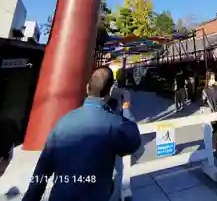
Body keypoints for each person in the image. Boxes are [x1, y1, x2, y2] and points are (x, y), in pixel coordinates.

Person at [22, 66, 141, 201]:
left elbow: (42, 170)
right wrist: (126, 108)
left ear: (86, 87)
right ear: (110, 91)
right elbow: (134, 142)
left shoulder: (63, 122)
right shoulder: (114, 123)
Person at [202, 71, 217, 157]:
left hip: (216, 112)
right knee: (212, 130)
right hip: (209, 113)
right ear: (208, 79)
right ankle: (211, 149)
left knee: (216, 130)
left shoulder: (216, 88)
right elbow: (204, 102)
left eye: (214, 78)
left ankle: (215, 149)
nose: (213, 80)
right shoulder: (205, 90)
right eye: (212, 78)